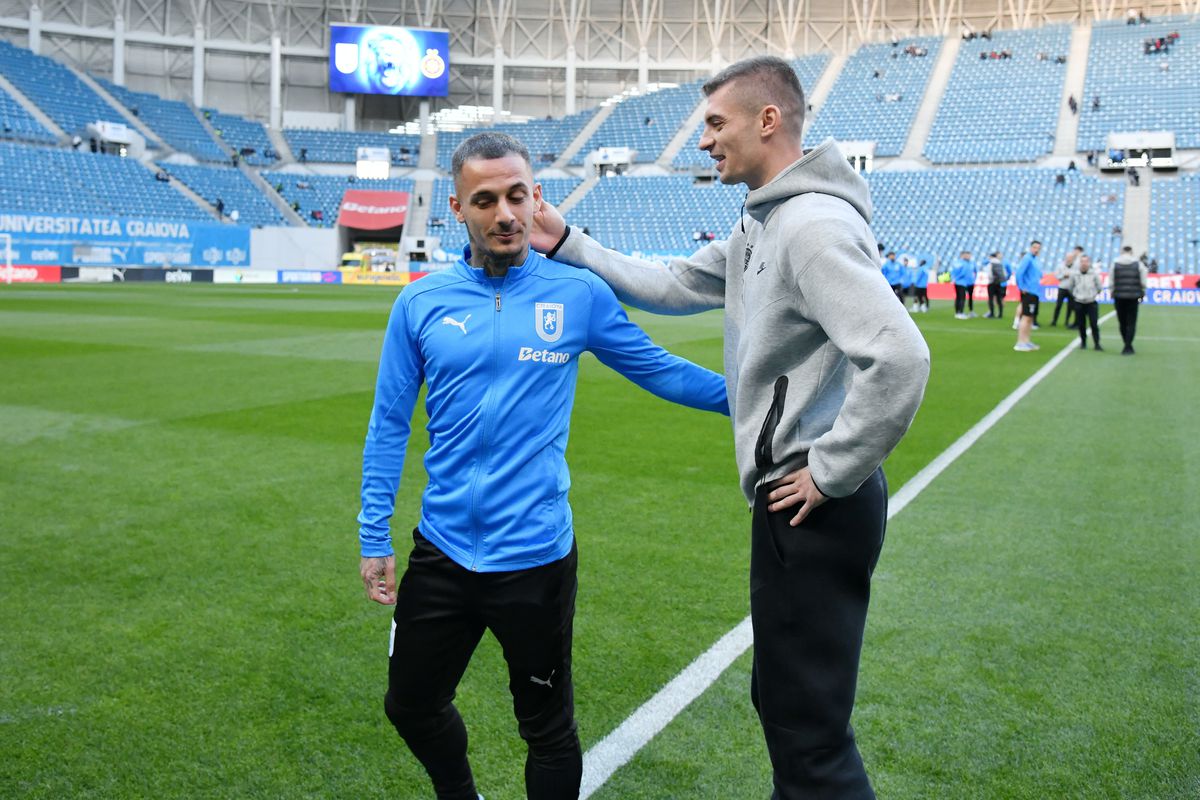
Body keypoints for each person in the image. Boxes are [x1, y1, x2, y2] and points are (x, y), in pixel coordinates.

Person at [532, 55, 930, 799]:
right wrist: (567, 242)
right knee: (787, 709)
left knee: (808, 733)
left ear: (767, 120)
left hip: (815, 498)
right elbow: (677, 284)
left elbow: (901, 356)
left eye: (716, 123)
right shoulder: (766, 222)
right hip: (795, 500)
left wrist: (832, 468)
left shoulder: (809, 227)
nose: (705, 140)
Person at [357, 132, 728, 800]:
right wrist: (372, 533)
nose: (505, 213)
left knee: (547, 731)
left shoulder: (578, 294)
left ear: (536, 200)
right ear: (457, 209)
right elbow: (389, 423)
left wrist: (754, 401)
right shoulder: (420, 303)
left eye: (518, 195)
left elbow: (660, 371)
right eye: (486, 199)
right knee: (409, 704)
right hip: (441, 551)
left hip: (535, 556)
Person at [1108, 244, 1147, 354]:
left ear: (1122, 252)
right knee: (1132, 322)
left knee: (1122, 322)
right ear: (1131, 252)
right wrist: (1143, 291)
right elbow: (1143, 281)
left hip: (1119, 296)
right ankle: (1128, 345)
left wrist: (1112, 291)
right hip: (1133, 296)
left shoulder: (1114, 263)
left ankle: (1126, 342)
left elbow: (1111, 280)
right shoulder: (1138, 264)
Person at [1014, 240, 1044, 351]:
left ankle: (1026, 341)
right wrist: (1021, 287)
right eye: (1035, 247)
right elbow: (1019, 273)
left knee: (1030, 318)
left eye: (1038, 248)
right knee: (1026, 317)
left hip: (1035, 291)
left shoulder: (1035, 260)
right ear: (1031, 247)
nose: (1036, 250)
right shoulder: (1027, 258)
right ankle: (1020, 342)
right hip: (1029, 292)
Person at [1068, 254, 1103, 350]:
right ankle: (1083, 342)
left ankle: (1097, 343)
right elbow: (1070, 287)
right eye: (1082, 261)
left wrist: (1093, 294)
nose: (1084, 264)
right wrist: (1076, 295)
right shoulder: (1075, 274)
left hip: (1091, 302)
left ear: (1089, 263)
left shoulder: (1093, 274)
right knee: (1081, 324)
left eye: (1086, 261)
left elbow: (1099, 287)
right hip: (1079, 302)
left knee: (1094, 324)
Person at [1052, 246, 1082, 327]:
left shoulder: (1076, 266)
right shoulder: (1060, 265)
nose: (1069, 259)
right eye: (1068, 257)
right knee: (1058, 305)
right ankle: (1054, 321)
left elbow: (1078, 275)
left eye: (1071, 257)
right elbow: (1056, 275)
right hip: (1062, 288)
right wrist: (1063, 276)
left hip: (1071, 289)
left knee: (1070, 306)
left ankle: (1067, 321)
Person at [985, 251, 1011, 318]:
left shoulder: (990, 264)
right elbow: (1005, 274)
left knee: (991, 299)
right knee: (999, 299)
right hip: (1000, 283)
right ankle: (1000, 314)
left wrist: (991, 279)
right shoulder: (1000, 264)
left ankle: (992, 313)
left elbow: (989, 274)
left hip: (992, 283)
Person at [951, 250, 975, 319]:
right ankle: (960, 313)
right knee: (962, 298)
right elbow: (964, 273)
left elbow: (953, 272)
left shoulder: (956, 263)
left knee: (958, 297)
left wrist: (955, 279)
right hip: (962, 282)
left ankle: (957, 312)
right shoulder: (965, 263)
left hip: (957, 282)